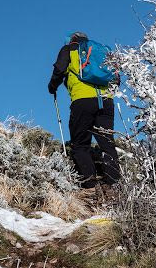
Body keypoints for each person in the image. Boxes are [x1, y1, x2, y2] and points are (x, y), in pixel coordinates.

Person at [48, 31, 120, 195]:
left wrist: (52, 87)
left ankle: (89, 186)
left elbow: (59, 69)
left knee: (80, 143)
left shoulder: (69, 49)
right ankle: (114, 185)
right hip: (106, 100)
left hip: (82, 100)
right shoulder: (100, 51)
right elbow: (116, 78)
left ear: (72, 40)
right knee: (107, 143)